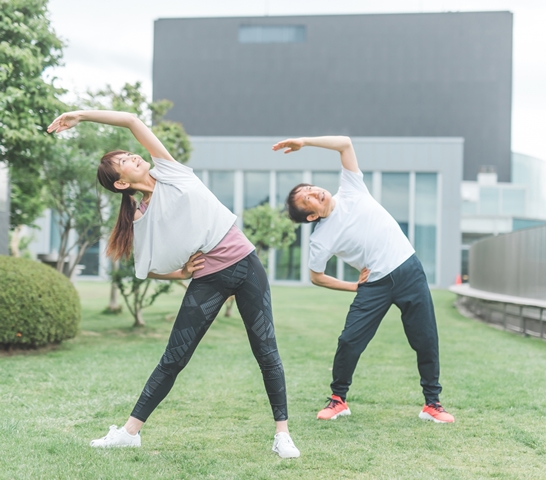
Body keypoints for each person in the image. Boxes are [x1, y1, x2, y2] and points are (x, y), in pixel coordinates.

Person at [47, 110, 300, 458]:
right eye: (123, 161)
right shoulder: (140, 214)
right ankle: (129, 433)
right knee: (173, 358)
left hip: (246, 265)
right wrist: (181, 274)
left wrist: (81, 116)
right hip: (208, 279)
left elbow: (133, 121)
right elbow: (146, 267)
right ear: (121, 182)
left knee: (266, 350)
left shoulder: (169, 170)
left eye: (128, 153)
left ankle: (282, 435)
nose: (132, 156)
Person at [273, 136, 454, 424]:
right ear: (310, 217)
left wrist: (305, 142)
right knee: (349, 340)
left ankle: (432, 404)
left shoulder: (351, 189)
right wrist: (353, 286)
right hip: (375, 286)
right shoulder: (321, 240)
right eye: (306, 198)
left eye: (309, 188)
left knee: (426, 339)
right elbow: (315, 277)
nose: (313, 193)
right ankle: (338, 400)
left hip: (409, 270)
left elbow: (345, 143)